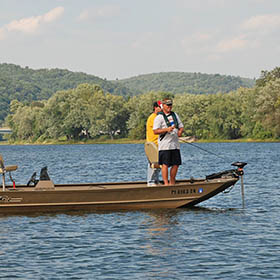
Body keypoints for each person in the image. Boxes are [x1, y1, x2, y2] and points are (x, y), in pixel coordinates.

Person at [153, 98, 184, 185]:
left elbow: (181, 126)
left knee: (176, 164)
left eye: (171, 105)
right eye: (168, 105)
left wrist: (180, 132)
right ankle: (166, 183)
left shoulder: (175, 115)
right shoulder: (159, 117)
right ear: (163, 106)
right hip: (164, 145)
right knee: (165, 164)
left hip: (175, 145)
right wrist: (167, 129)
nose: (169, 107)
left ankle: (172, 182)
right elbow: (155, 131)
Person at [146, 101, 162, 186]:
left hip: (158, 144)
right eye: (160, 107)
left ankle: (156, 180)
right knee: (154, 163)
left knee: (158, 163)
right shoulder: (153, 117)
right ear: (155, 107)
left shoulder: (157, 117)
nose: (161, 109)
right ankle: (151, 181)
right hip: (153, 144)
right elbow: (158, 129)